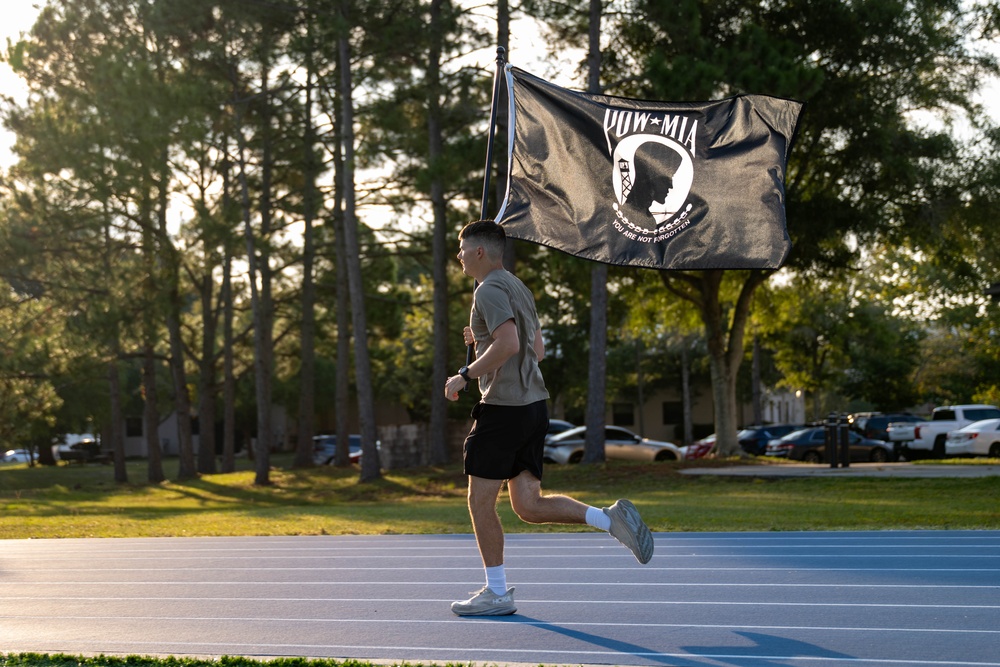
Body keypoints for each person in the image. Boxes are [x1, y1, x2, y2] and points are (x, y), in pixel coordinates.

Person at [444, 219, 654, 617]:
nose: (459, 256)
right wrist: (482, 340)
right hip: (534, 405)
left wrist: (465, 375)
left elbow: (510, 344)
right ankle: (609, 519)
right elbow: (535, 350)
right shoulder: (518, 287)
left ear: (480, 252)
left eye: (462, 249)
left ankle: (497, 592)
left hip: (504, 409)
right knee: (528, 505)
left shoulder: (487, 290)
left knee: (479, 501)